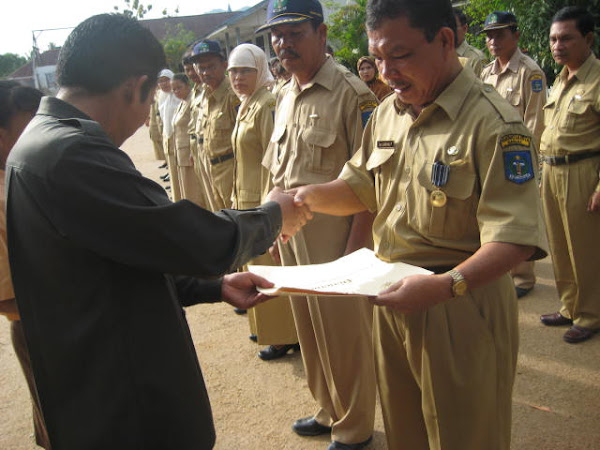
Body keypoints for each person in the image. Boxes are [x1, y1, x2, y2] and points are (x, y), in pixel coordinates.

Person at [5, 14, 311, 449]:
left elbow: (125, 252)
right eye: (148, 102)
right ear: (135, 86)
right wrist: (274, 215)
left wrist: (215, 285)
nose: (145, 117)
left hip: (102, 388)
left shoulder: (42, 142)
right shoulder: (71, 152)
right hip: (128, 406)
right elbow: (184, 237)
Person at [290, 0, 547, 448]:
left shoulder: (495, 123)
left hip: (459, 304)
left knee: (465, 438)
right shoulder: (390, 112)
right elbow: (361, 185)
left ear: (445, 41)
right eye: (378, 56)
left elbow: (514, 239)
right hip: (394, 302)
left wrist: (446, 286)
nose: (386, 71)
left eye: (400, 54)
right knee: (406, 435)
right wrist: (303, 198)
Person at [256, 0, 378, 448]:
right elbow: (278, 170)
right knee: (309, 329)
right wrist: (271, 226)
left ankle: (354, 427)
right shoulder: (285, 93)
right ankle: (328, 409)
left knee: (344, 337)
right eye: (277, 35)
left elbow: (371, 181)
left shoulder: (352, 93)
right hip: (292, 236)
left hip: (336, 240)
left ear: (321, 34)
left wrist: (358, 249)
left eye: (294, 33)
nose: (283, 43)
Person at [228, 43, 300, 360]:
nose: (237, 77)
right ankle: (266, 327)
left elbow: (276, 160)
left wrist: (267, 209)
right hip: (244, 197)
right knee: (253, 267)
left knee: (269, 270)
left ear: (260, 69)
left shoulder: (268, 102)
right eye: (233, 71)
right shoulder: (246, 103)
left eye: (245, 70)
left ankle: (285, 334)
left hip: (261, 199)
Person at [539, 6, 600, 344]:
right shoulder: (560, 80)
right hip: (552, 171)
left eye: (565, 38)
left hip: (583, 171)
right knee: (559, 245)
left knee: (586, 248)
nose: (557, 45)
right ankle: (569, 306)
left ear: (588, 39)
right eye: (553, 39)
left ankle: (590, 315)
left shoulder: (597, 79)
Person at [480, 11, 547, 299]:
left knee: (517, 215)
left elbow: (535, 120)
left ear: (516, 35)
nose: (493, 40)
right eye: (489, 35)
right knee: (495, 214)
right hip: (490, 154)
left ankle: (522, 276)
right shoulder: (486, 72)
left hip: (517, 156)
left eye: (500, 34)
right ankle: (499, 270)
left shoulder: (529, 72)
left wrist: (531, 162)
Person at [0, 81, 50, 449]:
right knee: (61, 422)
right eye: (28, 126)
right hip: (40, 325)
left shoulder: (21, 171)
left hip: (58, 318)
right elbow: (7, 298)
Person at [190, 40, 240, 212]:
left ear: (224, 65)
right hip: (208, 168)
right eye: (201, 68)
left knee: (235, 218)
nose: (205, 72)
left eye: (211, 67)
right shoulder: (203, 95)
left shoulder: (233, 96)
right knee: (217, 217)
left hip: (230, 170)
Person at [182, 51, 213, 210]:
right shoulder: (197, 92)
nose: (191, 73)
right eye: (188, 70)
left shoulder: (213, 91)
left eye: (192, 69)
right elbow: (195, 125)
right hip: (199, 150)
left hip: (217, 157)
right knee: (205, 197)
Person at [171, 73, 205, 205]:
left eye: (179, 87)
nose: (176, 91)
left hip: (189, 154)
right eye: (174, 89)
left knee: (194, 192)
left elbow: (196, 127)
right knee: (186, 191)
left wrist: (193, 150)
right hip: (181, 154)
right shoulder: (182, 103)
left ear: (187, 86)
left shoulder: (193, 101)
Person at [157, 68, 182, 200]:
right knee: (173, 171)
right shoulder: (162, 97)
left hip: (179, 138)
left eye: (166, 80)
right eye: (160, 81)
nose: (164, 84)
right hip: (168, 137)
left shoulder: (178, 96)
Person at [453, 8, 486, 76]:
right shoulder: (439, 57)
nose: (448, 32)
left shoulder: (476, 58)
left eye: (452, 27)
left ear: (465, 29)